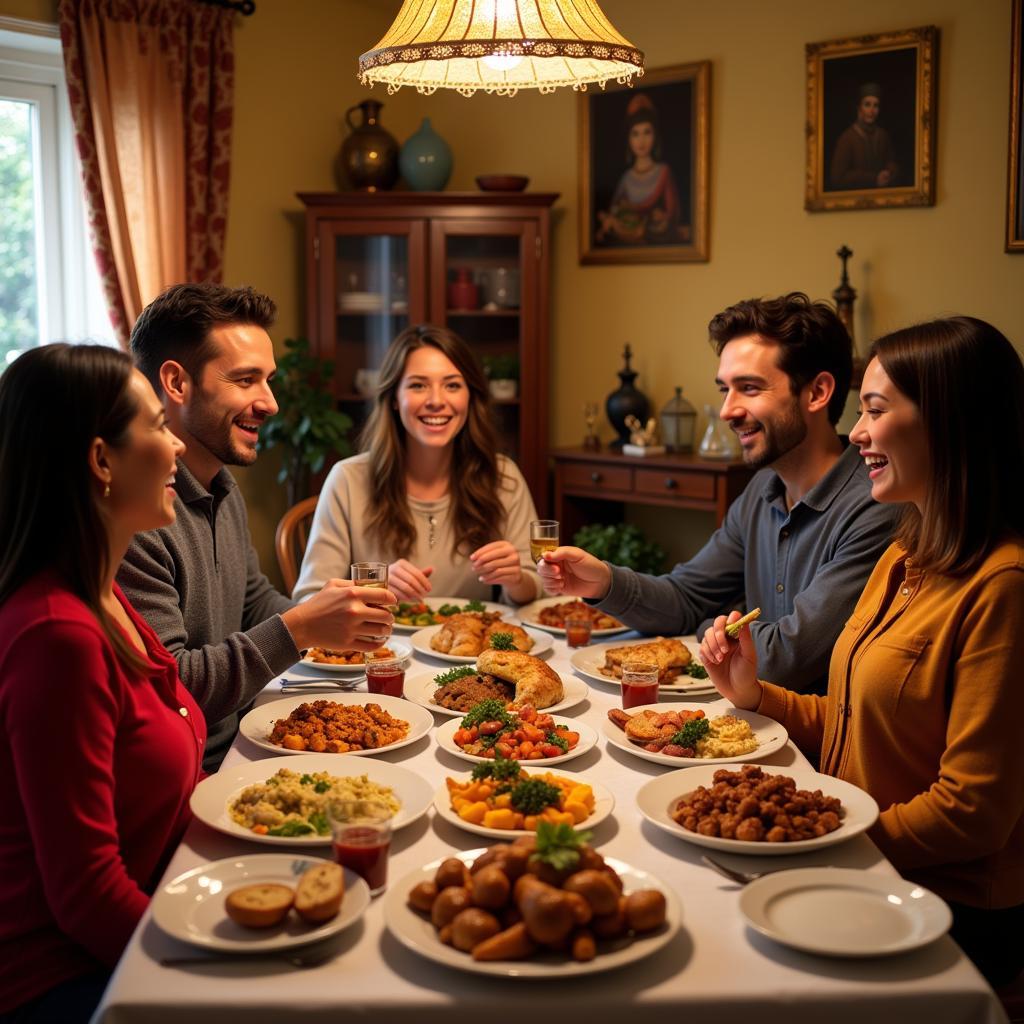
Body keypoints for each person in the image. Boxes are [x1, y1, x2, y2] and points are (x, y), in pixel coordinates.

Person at [700, 316, 1024, 987]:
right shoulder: (907, 552)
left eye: (875, 409)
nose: (857, 432)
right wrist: (755, 695)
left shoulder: (1003, 588)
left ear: (948, 421)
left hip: (937, 905)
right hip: (856, 862)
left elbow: (972, 814)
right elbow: (851, 720)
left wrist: (829, 840)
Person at [539, 293, 901, 694]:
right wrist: (604, 583)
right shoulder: (763, 488)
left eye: (748, 388)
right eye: (724, 389)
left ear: (817, 392)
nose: (727, 410)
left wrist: (711, 629)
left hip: (815, 748)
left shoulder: (874, 505)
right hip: (751, 723)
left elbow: (786, 660)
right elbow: (688, 597)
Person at [0, 345, 204, 1022]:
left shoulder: (103, 593)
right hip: (59, 975)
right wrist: (213, 974)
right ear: (101, 460)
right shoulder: (58, 634)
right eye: (156, 423)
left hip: (139, 914)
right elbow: (86, 896)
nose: (176, 442)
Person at [118, 284, 395, 773]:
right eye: (246, 380)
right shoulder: (138, 517)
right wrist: (301, 627)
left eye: (268, 380)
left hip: (248, 738)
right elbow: (173, 689)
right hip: (195, 769)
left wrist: (328, 617)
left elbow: (251, 600)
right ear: (177, 383)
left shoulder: (222, 487)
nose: (270, 403)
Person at [294, 324, 543, 606]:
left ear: (470, 397)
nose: (436, 401)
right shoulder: (347, 480)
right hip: (379, 646)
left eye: (452, 385)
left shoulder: (503, 476)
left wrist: (516, 579)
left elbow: (536, 591)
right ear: (394, 400)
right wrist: (376, 587)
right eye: (418, 385)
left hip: (473, 647)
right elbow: (309, 600)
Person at [596, 93, 688, 246]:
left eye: (647, 132)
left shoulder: (664, 172)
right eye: (635, 134)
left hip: (656, 231)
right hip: (628, 230)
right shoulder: (626, 178)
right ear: (629, 139)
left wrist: (660, 217)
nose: (641, 141)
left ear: (655, 136)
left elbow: (672, 215)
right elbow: (615, 211)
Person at [829, 82, 899, 190]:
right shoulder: (847, 138)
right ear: (859, 108)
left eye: (875, 106)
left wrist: (888, 172)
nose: (871, 111)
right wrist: (873, 178)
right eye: (867, 105)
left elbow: (892, 162)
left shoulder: (883, 136)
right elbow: (837, 178)